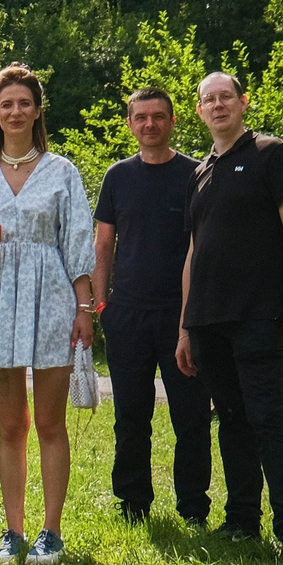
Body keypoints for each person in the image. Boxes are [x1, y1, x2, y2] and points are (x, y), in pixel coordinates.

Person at [0, 64, 95, 565]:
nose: (15, 111)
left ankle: (50, 532)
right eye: (6, 104)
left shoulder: (63, 172)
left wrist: (84, 307)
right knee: (11, 424)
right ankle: (13, 531)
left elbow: (77, 244)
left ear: (37, 111)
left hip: (53, 297)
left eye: (24, 103)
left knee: (50, 422)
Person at [175, 71, 283, 562]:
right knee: (230, 420)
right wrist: (185, 327)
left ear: (243, 103)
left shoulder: (271, 154)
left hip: (258, 315)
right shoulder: (200, 172)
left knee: (268, 418)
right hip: (207, 321)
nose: (217, 106)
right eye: (208, 100)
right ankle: (241, 522)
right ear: (199, 111)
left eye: (225, 97)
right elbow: (193, 251)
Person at [91, 86, 214, 525]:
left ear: (173, 120)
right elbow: (103, 245)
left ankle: (193, 507)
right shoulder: (117, 177)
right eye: (141, 117)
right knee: (131, 417)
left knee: (192, 417)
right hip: (127, 314)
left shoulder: (197, 173)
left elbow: (205, 248)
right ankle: (133, 503)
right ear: (130, 124)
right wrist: (101, 305)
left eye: (158, 116)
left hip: (184, 317)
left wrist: (193, 318)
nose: (149, 125)